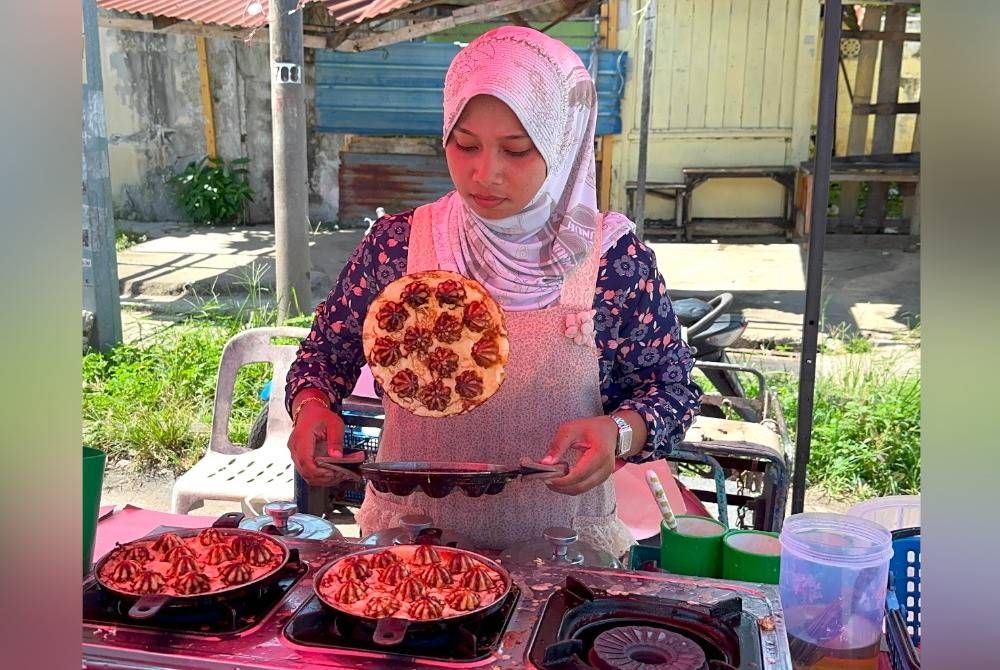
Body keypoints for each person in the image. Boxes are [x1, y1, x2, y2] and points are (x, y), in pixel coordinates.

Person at [285, 26, 701, 558]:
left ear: (563, 143)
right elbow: (324, 353)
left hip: (562, 556)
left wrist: (623, 430)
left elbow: (671, 388)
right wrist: (313, 405)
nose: (485, 174)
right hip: (409, 551)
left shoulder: (609, 261)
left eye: (517, 150)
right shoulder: (398, 246)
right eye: (465, 145)